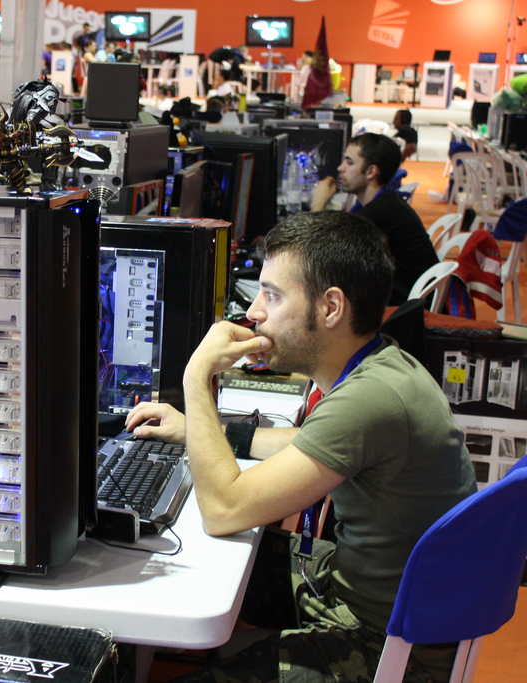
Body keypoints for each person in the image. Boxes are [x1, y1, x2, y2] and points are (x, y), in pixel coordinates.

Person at [126, 210, 477, 683]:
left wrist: (196, 376)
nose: (253, 312)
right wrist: (198, 430)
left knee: (199, 554)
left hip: (388, 648)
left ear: (330, 307)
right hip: (374, 595)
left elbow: (224, 509)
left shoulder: (369, 401)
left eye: (272, 295)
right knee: (168, 558)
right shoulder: (384, 366)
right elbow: (309, 443)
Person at [310, 133, 438, 305]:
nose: (341, 168)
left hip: (406, 311)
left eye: (349, 162)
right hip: (406, 299)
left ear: (371, 172)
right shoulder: (384, 203)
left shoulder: (379, 212)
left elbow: (318, 251)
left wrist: (318, 202)